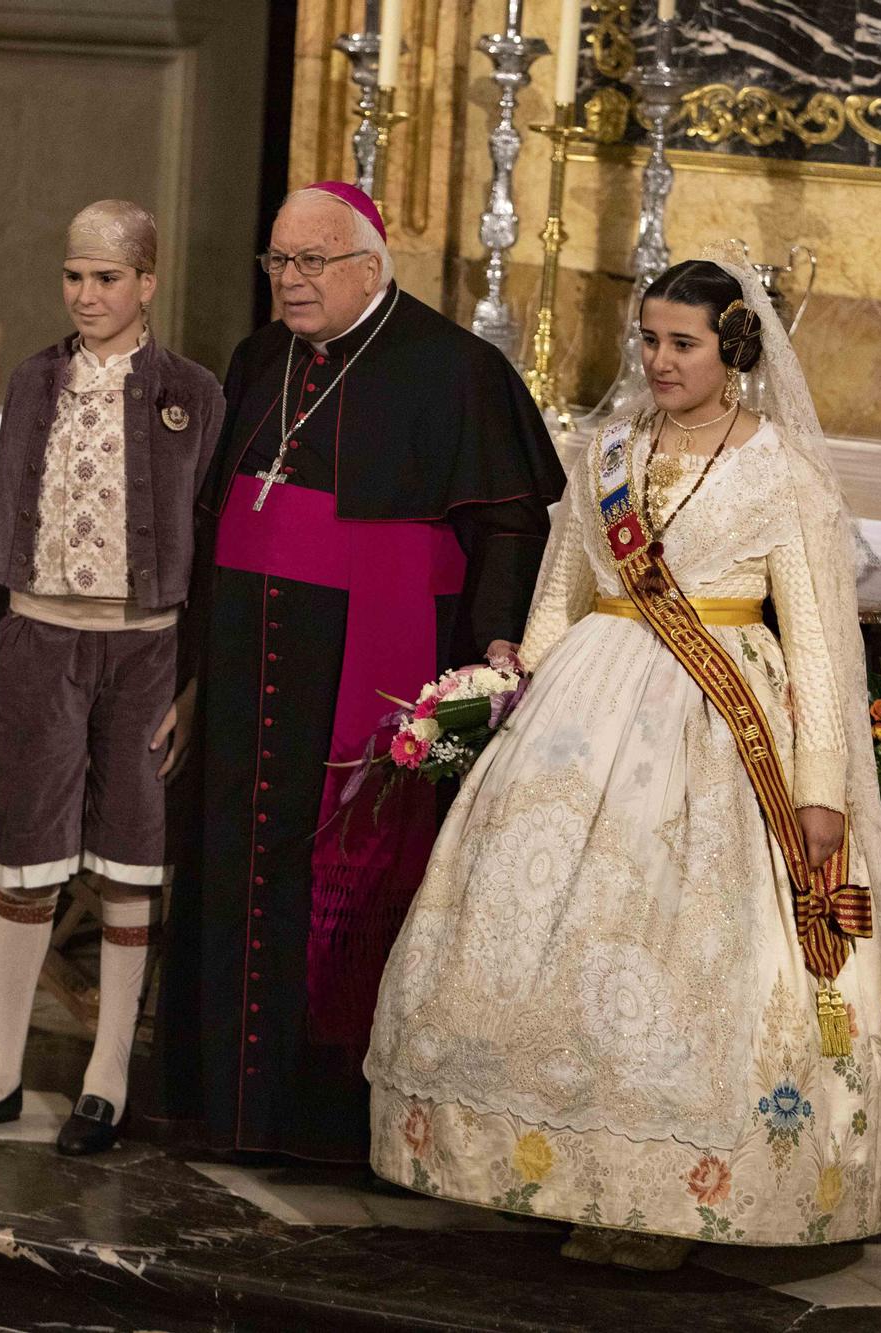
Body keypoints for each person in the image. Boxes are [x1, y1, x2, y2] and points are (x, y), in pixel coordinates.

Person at [365, 259, 881, 1266]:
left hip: (721, 731)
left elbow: (818, 645)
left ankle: (667, 1195)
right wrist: (504, 695)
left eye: (683, 343)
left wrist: (819, 790)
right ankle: (556, 1171)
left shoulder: (780, 472)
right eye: (649, 340)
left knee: (690, 961)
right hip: (585, 710)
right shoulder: (604, 452)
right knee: (547, 938)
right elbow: (557, 595)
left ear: (733, 351)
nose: (659, 361)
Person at [151, 183, 565, 1163]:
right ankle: (221, 1101)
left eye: (308, 263)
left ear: (367, 267)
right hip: (249, 667)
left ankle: (332, 1119)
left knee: (362, 872)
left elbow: (510, 523)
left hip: (386, 681)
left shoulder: (456, 370)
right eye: (277, 263)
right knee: (230, 860)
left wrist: (489, 663)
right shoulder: (262, 356)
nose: (288, 283)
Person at [0, 200, 224, 1155]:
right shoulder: (34, 381)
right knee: (26, 857)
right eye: (73, 276)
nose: (86, 295)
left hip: (147, 652)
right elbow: (2, 515)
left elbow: (213, 545)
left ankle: (107, 1074)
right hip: (39, 645)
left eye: (106, 277)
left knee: (131, 857)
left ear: (146, 282)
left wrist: (195, 677)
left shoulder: (192, 394)